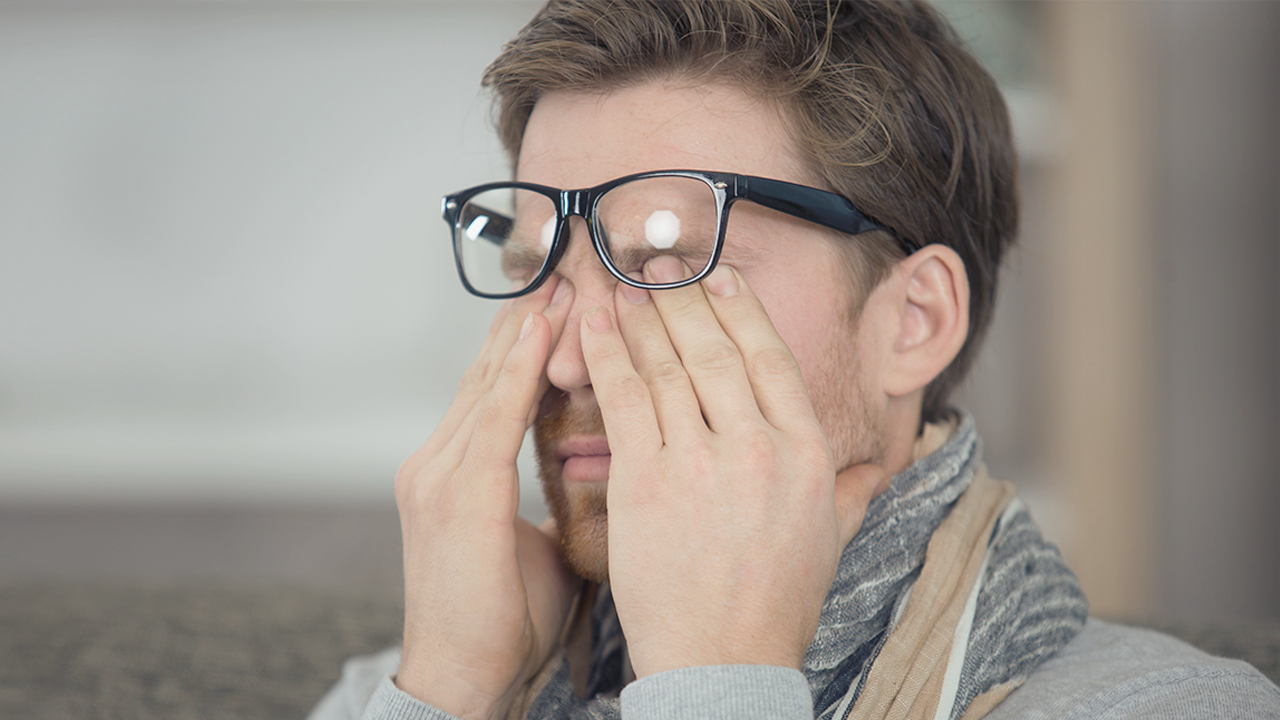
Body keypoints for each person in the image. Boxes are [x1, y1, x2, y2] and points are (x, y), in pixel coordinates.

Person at [310, 2, 1280, 719]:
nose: (564, 360)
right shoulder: (419, 683)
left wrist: (713, 681)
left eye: (662, 262)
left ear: (913, 322)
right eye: (538, 271)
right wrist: (444, 692)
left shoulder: (1170, 708)